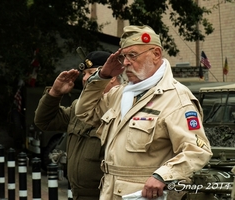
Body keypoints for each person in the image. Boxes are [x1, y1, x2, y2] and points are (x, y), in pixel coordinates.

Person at [74, 25, 213, 199]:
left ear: (156, 54)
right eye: (123, 57)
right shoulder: (121, 94)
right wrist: (102, 76)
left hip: (145, 194)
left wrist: (162, 175)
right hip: (111, 190)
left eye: (132, 55)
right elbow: (84, 112)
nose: (125, 62)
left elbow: (197, 150)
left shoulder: (176, 98)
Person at [34, 51, 123, 200]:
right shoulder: (78, 108)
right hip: (78, 194)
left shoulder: (122, 107)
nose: (85, 78)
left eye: (92, 73)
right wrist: (55, 93)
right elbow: (44, 121)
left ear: (112, 76)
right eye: (84, 74)